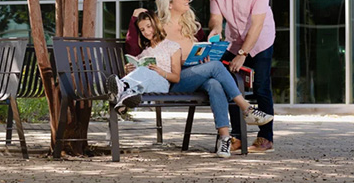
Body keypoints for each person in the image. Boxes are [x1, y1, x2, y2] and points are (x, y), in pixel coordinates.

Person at [109, 9, 273, 158]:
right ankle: (247, 109)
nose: (146, 32)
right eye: (142, 29)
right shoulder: (144, 52)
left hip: (174, 81)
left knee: (214, 83)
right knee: (214, 70)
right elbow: (139, 66)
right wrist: (129, 68)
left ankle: (225, 139)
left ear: (156, 25)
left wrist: (162, 71)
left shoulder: (171, 46)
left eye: (149, 27)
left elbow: (176, 77)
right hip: (158, 85)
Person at [208, 0, 276, 153]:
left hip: (260, 40)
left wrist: (242, 54)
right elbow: (216, 17)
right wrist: (215, 30)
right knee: (229, 85)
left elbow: (257, 24)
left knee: (261, 87)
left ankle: (265, 138)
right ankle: (237, 136)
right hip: (233, 40)